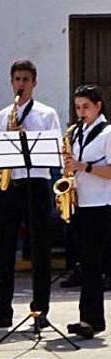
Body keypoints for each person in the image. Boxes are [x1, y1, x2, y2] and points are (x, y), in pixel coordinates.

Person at [0, 60, 61, 330]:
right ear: (11, 82)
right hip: (9, 186)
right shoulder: (3, 115)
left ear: (34, 83)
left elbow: (56, 148)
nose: (21, 84)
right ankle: (2, 312)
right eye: (17, 79)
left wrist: (26, 139)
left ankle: (40, 311)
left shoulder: (46, 113)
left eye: (26, 79)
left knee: (39, 250)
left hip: (36, 185)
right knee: (4, 251)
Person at [64, 85, 111, 339]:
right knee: (86, 264)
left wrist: (84, 166)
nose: (81, 112)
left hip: (100, 205)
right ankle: (90, 319)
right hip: (81, 204)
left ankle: (90, 320)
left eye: (86, 107)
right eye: (78, 107)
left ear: (98, 106)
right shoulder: (78, 132)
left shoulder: (108, 133)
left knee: (92, 265)